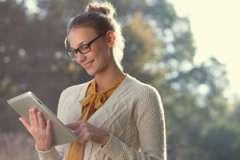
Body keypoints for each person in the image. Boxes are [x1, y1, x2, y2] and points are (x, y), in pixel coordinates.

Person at [19, 1, 167, 160]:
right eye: (74, 51)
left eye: (84, 47)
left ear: (110, 38)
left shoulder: (144, 95)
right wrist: (44, 148)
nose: (80, 58)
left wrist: (104, 138)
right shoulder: (68, 96)